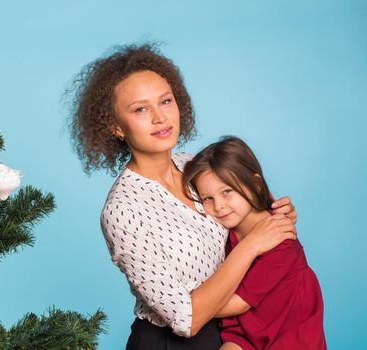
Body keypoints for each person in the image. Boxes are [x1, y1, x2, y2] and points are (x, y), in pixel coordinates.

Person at [67, 43, 297, 350]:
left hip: (236, 334)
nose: (160, 117)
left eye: (165, 101)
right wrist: (255, 242)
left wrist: (277, 218)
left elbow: (256, 218)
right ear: (115, 127)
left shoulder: (198, 166)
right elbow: (184, 319)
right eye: (140, 109)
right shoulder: (122, 210)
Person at [183, 136, 326, 350]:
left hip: (288, 335)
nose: (219, 206)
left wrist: (183, 307)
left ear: (255, 184)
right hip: (245, 330)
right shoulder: (224, 231)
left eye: (227, 192)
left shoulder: (280, 239)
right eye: (207, 198)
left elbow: (238, 303)